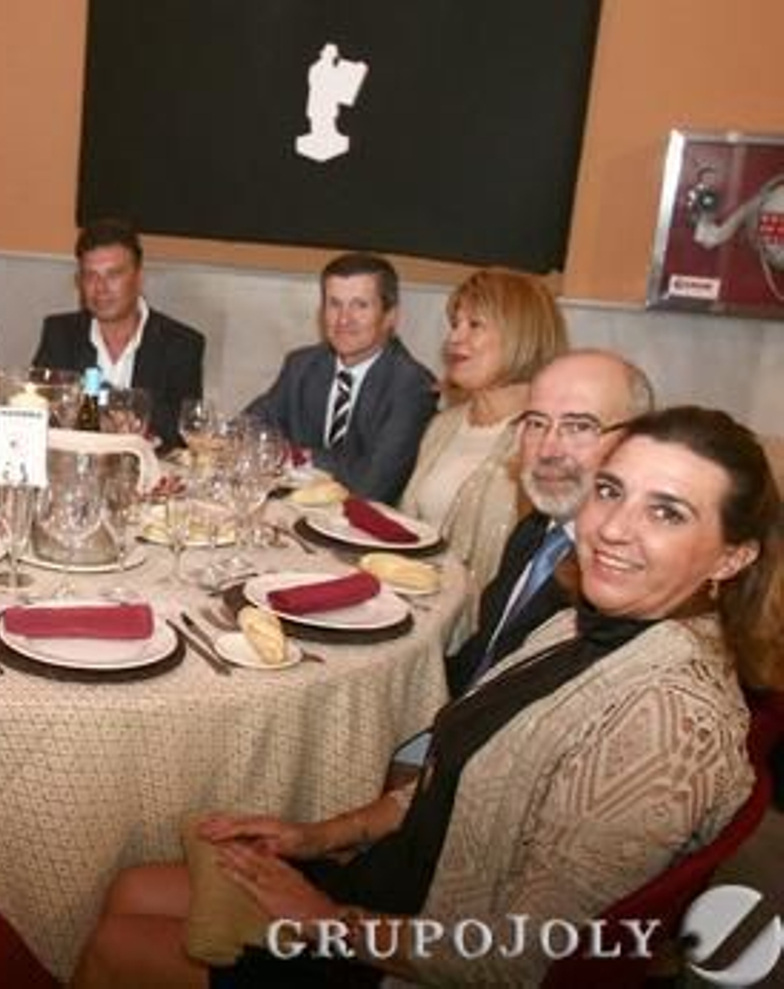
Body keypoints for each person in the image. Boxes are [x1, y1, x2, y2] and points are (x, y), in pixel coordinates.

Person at [75, 406, 778, 987]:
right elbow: (466, 773)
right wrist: (320, 836)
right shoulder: (582, 625)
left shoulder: (667, 720)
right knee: (133, 889)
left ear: (733, 556)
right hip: (400, 884)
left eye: (667, 512)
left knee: (118, 946)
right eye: (612, 491)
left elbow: (527, 957)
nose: (615, 528)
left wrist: (324, 919)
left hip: (421, 951)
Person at [442, 349, 654, 697]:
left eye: (579, 427)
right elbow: (485, 656)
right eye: (537, 423)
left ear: (634, 443)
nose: (548, 450)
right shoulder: (536, 529)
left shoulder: (621, 577)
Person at [397, 268, 570, 622]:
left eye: (474, 325)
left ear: (522, 335)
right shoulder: (443, 425)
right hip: (413, 613)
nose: (454, 338)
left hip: (479, 633)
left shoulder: (546, 443)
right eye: (455, 324)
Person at [241, 252, 436, 503]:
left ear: (390, 316)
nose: (344, 319)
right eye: (334, 304)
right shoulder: (301, 365)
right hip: (291, 513)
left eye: (360, 305)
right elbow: (245, 432)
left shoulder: (413, 387)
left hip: (363, 523)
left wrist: (302, 456)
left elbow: (372, 484)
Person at [32, 218, 204, 451]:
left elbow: (183, 434)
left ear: (139, 277)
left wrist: (126, 414)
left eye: (113, 275)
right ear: (79, 281)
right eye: (91, 276)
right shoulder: (60, 334)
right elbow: (39, 413)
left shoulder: (181, 344)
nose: (101, 288)